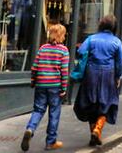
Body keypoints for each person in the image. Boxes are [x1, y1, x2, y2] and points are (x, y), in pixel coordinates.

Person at [73, 14, 122, 147]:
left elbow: (81, 52)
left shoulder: (91, 39)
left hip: (91, 73)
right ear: (114, 27)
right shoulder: (117, 42)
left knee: (90, 104)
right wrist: (118, 77)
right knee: (107, 103)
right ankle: (97, 130)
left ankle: (94, 134)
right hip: (108, 74)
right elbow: (119, 63)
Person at [22, 23, 69, 151]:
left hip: (41, 85)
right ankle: (50, 142)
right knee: (54, 113)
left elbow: (34, 67)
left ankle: (30, 129)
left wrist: (33, 81)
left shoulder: (43, 48)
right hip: (55, 86)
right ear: (61, 36)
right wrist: (64, 89)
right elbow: (64, 72)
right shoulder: (63, 50)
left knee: (38, 110)